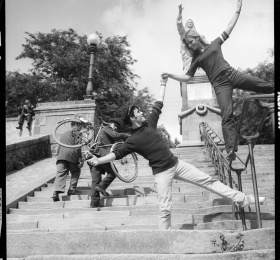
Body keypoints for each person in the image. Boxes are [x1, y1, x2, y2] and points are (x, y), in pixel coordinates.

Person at [86, 76, 265, 230]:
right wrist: (99, 161)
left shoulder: (150, 123)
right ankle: (166, 235)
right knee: (165, 207)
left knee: (209, 181)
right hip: (162, 173)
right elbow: (116, 155)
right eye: (138, 111)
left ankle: (243, 199)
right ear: (133, 118)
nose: (141, 111)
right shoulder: (132, 140)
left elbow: (158, 103)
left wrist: (163, 83)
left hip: (176, 164)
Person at [163, 0, 274, 161]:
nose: (190, 44)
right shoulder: (196, 60)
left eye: (191, 41)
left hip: (232, 74)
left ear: (196, 37)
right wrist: (171, 75)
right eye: (188, 44)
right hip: (220, 85)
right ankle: (230, 149)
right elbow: (187, 77)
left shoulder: (215, 43)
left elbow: (228, 28)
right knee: (227, 115)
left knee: (258, 84)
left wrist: (237, 11)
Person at [87, 119, 130, 209]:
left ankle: (94, 202)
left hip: (94, 156)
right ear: (112, 124)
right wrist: (126, 135)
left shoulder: (103, 132)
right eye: (116, 127)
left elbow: (114, 148)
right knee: (114, 172)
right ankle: (102, 186)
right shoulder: (107, 128)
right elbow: (116, 135)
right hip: (101, 155)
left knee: (95, 180)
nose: (115, 129)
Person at [52, 121, 84, 202]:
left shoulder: (64, 134)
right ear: (75, 125)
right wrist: (80, 159)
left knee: (60, 173)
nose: (81, 128)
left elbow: (59, 146)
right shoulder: (77, 133)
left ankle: (56, 192)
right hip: (72, 155)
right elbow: (78, 147)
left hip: (61, 156)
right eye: (80, 125)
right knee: (76, 171)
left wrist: (59, 156)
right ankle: (71, 190)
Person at [177, 3, 209, 72]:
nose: (190, 22)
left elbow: (204, 43)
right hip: (187, 55)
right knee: (189, 69)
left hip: (198, 54)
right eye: (188, 22)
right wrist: (180, 13)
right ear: (186, 24)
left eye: (191, 22)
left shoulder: (197, 35)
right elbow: (179, 25)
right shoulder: (184, 34)